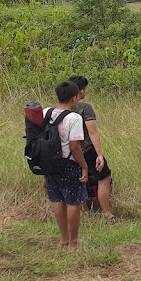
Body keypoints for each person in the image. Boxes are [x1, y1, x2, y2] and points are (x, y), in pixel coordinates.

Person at [43, 81, 89, 247]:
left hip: (50, 163)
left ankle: (63, 239)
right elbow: (75, 146)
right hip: (68, 163)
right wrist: (84, 166)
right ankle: (73, 240)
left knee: (57, 200)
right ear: (74, 98)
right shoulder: (74, 118)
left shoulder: (46, 112)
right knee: (72, 201)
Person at [68, 76, 117, 223]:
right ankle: (107, 213)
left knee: (80, 179)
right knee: (104, 178)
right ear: (80, 91)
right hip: (86, 150)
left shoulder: (61, 108)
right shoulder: (84, 107)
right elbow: (93, 131)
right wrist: (99, 154)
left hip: (68, 152)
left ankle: (86, 211)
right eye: (85, 89)